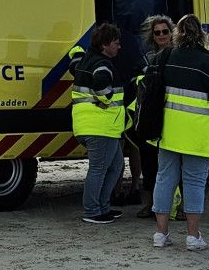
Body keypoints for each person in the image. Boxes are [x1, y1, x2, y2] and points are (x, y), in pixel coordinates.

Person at [149, 15, 209, 251]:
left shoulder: (164, 57)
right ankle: (192, 236)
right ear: (202, 35)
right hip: (198, 136)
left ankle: (161, 233)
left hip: (167, 132)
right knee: (195, 182)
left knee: (164, 178)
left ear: (176, 33)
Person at [69, 23, 128, 224]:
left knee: (115, 165)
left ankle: (102, 206)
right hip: (100, 126)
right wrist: (107, 98)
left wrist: (75, 53)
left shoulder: (87, 59)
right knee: (99, 168)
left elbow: (74, 64)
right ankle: (93, 210)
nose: (119, 47)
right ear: (105, 45)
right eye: (116, 43)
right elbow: (101, 85)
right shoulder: (102, 64)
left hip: (94, 126)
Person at [127, 14, 174, 218]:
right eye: (157, 32)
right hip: (151, 117)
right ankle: (149, 205)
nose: (162, 35)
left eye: (165, 31)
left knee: (174, 163)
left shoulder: (178, 55)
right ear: (152, 36)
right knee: (149, 162)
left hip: (174, 116)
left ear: (172, 33)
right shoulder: (145, 60)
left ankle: (177, 206)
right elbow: (136, 85)